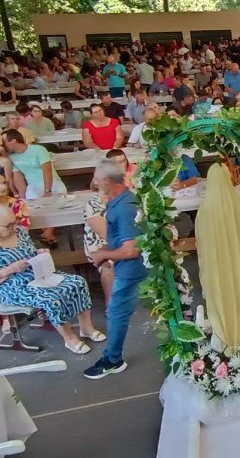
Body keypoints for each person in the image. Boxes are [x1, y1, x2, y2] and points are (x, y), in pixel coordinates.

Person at [0, 205, 101, 355]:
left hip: (38, 275)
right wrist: (10, 269)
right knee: (51, 298)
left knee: (77, 282)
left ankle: (86, 328)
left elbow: (29, 252)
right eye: (8, 225)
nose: (14, 226)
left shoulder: (18, 232)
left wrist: (39, 253)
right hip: (13, 287)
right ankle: (69, 338)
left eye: (14, 221)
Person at [84, 160, 146, 379]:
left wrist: (104, 254)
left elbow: (131, 250)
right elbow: (120, 239)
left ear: (109, 182)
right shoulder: (119, 201)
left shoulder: (125, 208)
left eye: (98, 179)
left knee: (117, 312)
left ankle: (113, 359)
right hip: (126, 267)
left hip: (131, 269)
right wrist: (105, 248)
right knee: (118, 311)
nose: (94, 183)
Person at [5, 129, 67, 200]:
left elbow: (47, 170)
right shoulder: (12, 158)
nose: (3, 145)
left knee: (60, 198)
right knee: (32, 199)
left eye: (4, 142)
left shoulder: (38, 149)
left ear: (13, 141)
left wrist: (47, 190)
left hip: (53, 182)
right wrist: (22, 197)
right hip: (33, 185)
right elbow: (18, 178)